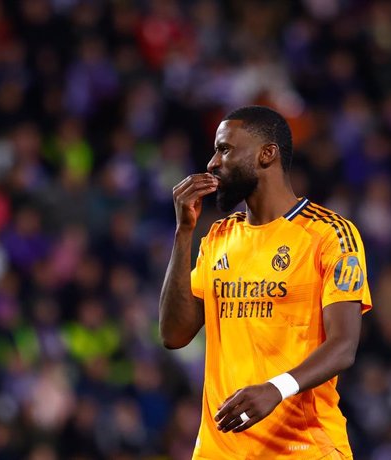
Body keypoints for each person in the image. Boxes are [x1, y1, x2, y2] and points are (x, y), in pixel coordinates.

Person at [159, 106, 372, 459]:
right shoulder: (217, 238)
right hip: (220, 450)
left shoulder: (328, 234)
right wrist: (184, 234)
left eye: (225, 149)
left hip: (301, 447)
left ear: (267, 154)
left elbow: (343, 345)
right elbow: (173, 334)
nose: (212, 163)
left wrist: (276, 388)